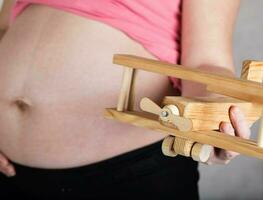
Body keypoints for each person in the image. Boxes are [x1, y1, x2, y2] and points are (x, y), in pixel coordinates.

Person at [0, 0, 250, 199]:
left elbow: (206, 63)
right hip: (8, 171)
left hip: (127, 173)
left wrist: (214, 119)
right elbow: (4, 31)